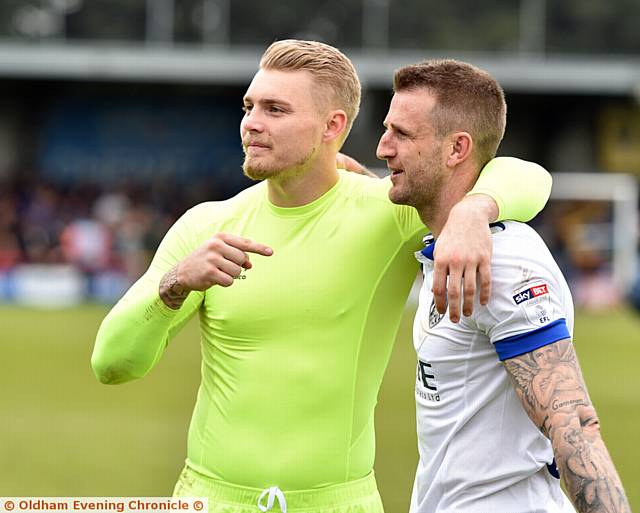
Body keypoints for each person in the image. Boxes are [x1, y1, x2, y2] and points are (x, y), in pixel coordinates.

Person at [91, 40, 552, 513]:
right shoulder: (206, 226)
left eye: (275, 110)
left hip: (338, 502)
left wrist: (474, 211)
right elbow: (112, 364)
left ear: (333, 125)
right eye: (249, 106)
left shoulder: (386, 213)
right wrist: (174, 285)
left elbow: (530, 177)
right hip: (211, 498)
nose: (252, 123)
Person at [376, 58, 631, 512]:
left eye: (402, 134)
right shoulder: (446, 243)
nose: (382, 147)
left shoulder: (504, 260)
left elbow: (572, 423)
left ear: (456, 149)